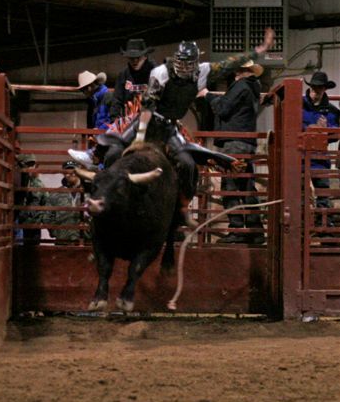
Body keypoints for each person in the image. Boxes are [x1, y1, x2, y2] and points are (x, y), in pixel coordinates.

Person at [97, 28, 275, 218]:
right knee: (113, 149)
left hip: (169, 126)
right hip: (149, 121)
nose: (184, 66)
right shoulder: (161, 72)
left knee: (188, 164)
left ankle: (182, 206)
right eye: (182, 62)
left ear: (195, 62)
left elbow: (230, 64)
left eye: (189, 63)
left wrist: (260, 49)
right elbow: (149, 104)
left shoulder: (204, 71)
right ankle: (102, 188)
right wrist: (140, 135)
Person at [199, 60, 266, 244]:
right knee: (246, 187)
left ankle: (237, 230)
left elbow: (222, 108)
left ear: (240, 70)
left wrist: (208, 95)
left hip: (235, 143)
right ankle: (255, 230)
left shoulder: (241, 86)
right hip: (244, 142)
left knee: (231, 186)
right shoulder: (252, 87)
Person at [69, 39, 156, 168]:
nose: (135, 61)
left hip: (153, 117)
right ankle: (96, 156)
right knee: (112, 154)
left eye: (138, 57)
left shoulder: (156, 72)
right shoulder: (124, 75)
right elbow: (117, 100)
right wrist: (117, 121)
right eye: (131, 58)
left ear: (145, 56)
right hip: (130, 120)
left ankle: (94, 153)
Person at [302, 71, 339, 237]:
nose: (316, 91)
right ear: (310, 88)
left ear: (324, 89)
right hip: (301, 157)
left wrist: (325, 131)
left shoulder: (332, 111)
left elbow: (335, 135)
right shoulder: (298, 106)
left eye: (319, 88)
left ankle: (323, 229)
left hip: (319, 157)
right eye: (314, 88)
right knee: (300, 193)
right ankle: (302, 227)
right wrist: (315, 129)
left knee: (322, 192)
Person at [43, 160, 90, 244]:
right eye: (67, 171)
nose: (70, 173)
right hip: (63, 242)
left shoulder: (90, 192)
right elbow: (47, 217)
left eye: (73, 170)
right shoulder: (55, 194)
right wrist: (58, 233)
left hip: (85, 242)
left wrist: (90, 231)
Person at [15, 154, 48, 245]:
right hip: (18, 223)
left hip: (33, 225)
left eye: (32, 165)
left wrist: (41, 219)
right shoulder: (15, 181)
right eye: (27, 165)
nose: (30, 168)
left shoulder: (38, 184)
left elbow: (46, 202)